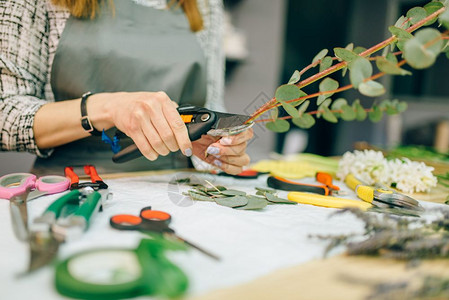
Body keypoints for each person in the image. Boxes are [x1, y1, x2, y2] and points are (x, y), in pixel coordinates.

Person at [0, 0, 253, 175]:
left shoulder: (205, 4)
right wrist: (108, 108)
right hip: (75, 186)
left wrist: (218, 146)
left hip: (178, 190)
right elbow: (5, 117)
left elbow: (212, 104)